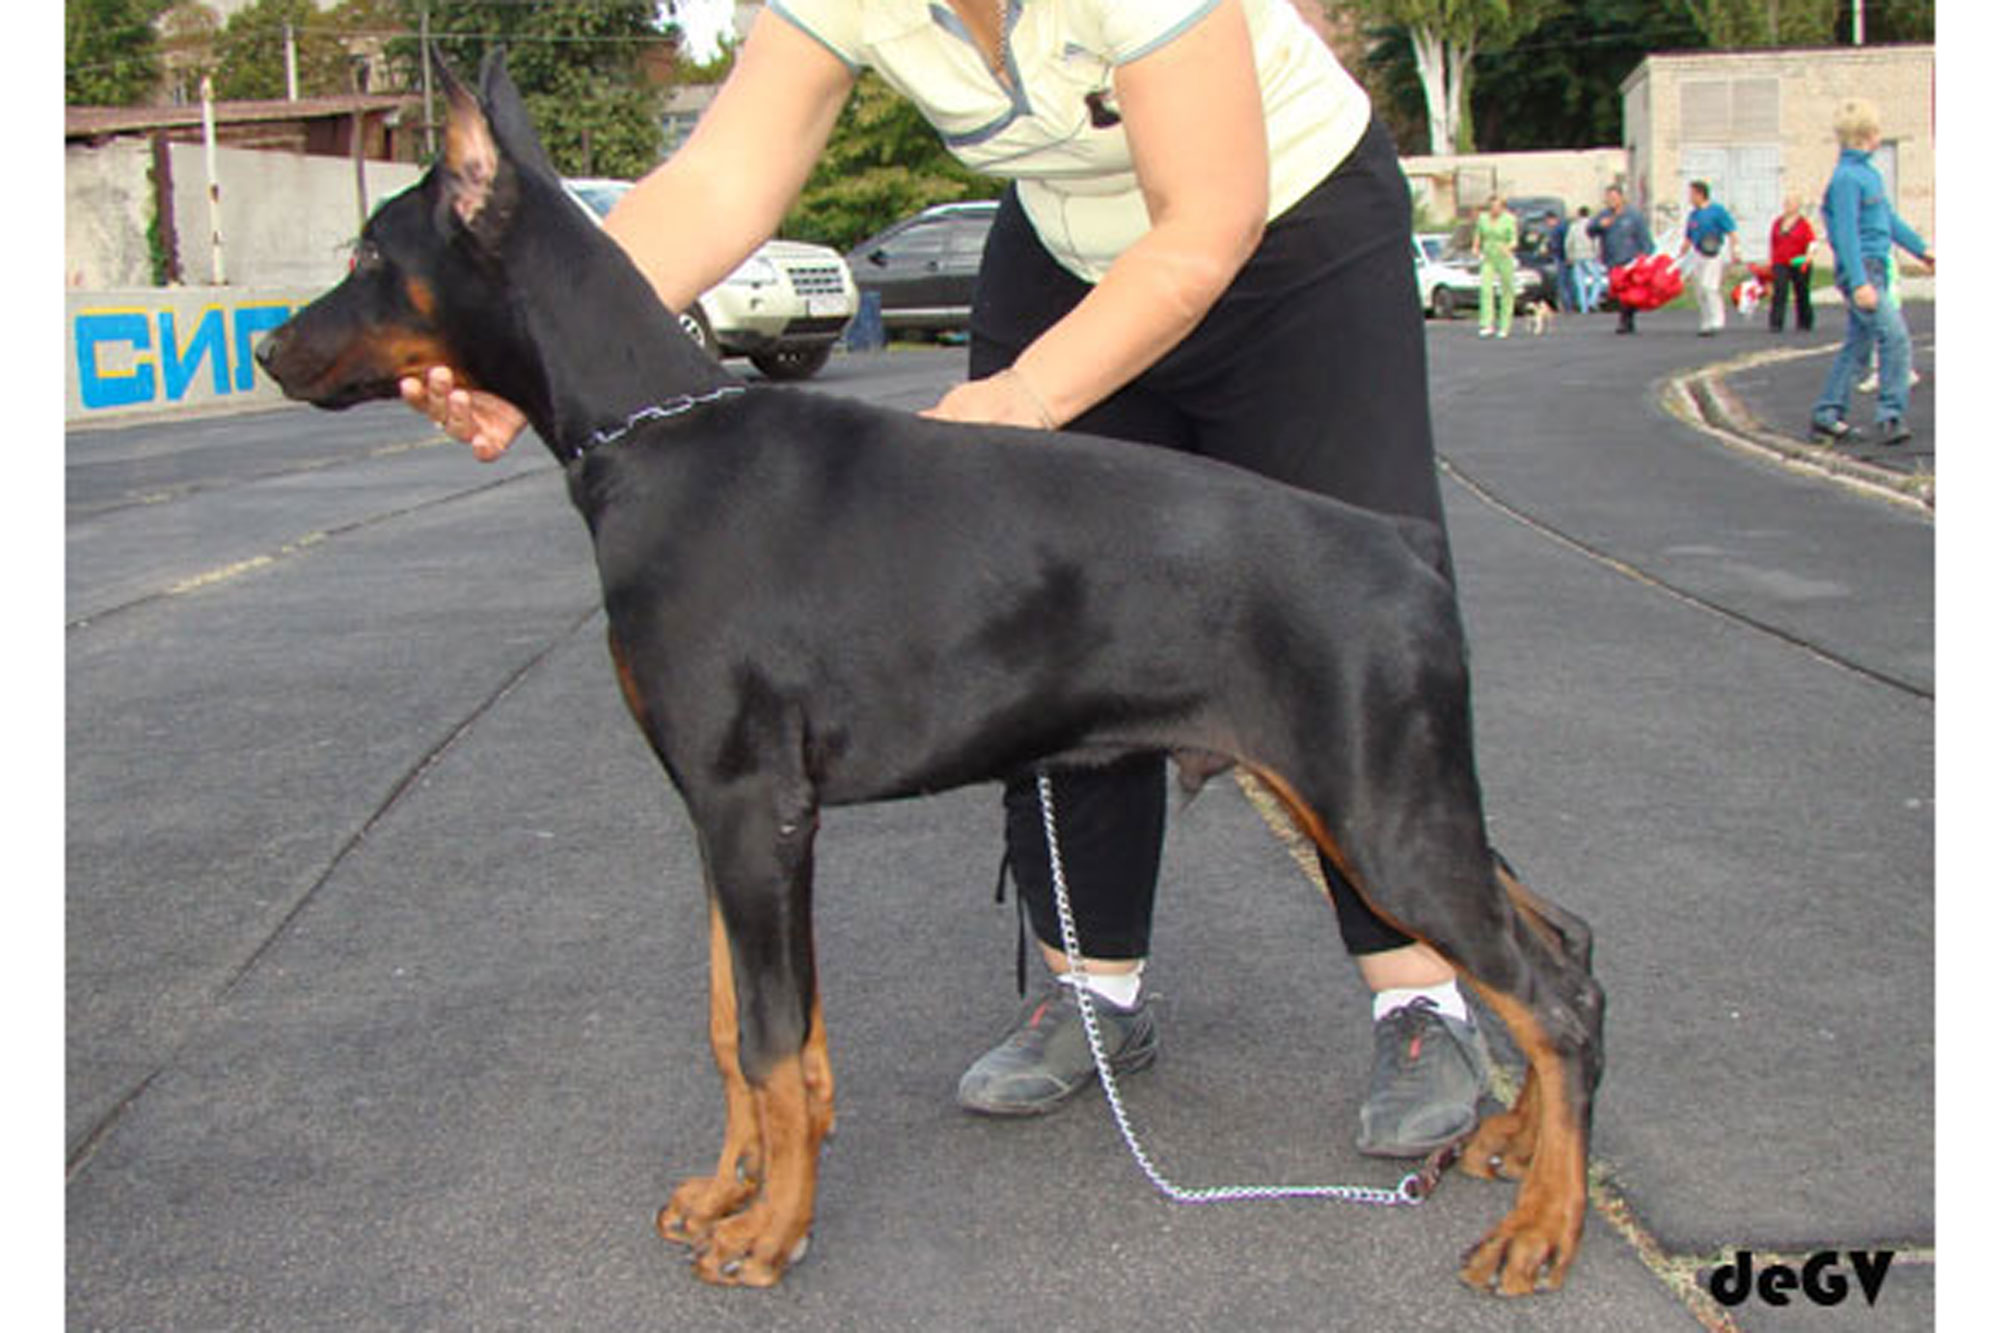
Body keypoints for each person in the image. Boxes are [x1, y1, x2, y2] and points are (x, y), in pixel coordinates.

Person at [400, 0, 1490, 1158]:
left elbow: (1204, 224)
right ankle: (1093, 990)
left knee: (1341, 614)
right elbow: (721, 180)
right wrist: (538, 351)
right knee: (1033, 617)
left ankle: (1419, 995)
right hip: (1066, 244)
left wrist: (1022, 399)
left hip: (1287, 231)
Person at [1808, 97, 1935, 447]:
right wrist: (1859, 281)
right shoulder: (1847, 179)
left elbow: (1887, 219)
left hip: (1875, 267)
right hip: (1863, 269)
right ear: (1865, 135)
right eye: (1877, 130)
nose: (1881, 135)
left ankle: (1827, 413)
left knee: (1858, 346)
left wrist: (1921, 249)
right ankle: (1890, 415)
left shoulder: (1869, 175)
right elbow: (1846, 234)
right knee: (1895, 338)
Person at [1677, 180, 1740, 337]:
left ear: (1700, 194)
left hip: (1713, 253)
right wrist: (1682, 252)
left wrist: (1735, 250)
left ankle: (1717, 320)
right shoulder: (1693, 215)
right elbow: (1689, 236)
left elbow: (1731, 231)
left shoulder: (1717, 211)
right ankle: (1706, 321)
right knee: (1699, 290)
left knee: (1709, 287)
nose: (1690, 198)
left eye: (1692, 194)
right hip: (1697, 253)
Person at [1588, 184, 1652, 334]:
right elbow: (1590, 231)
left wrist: (1645, 254)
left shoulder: (1633, 216)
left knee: (1629, 292)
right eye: (1609, 198)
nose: (1611, 201)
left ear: (1621, 198)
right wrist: (1599, 225)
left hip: (1630, 260)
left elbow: (1644, 237)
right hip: (1612, 259)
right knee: (1617, 291)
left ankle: (1626, 319)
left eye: (1614, 198)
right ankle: (1625, 317)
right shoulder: (1603, 215)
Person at [1767, 192, 1816, 332]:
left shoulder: (1803, 224)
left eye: (1790, 203)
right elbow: (1773, 242)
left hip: (1798, 262)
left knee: (1801, 291)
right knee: (1779, 290)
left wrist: (1809, 256)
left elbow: (1812, 241)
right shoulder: (1777, 223)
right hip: (1780, 261)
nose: (1787, 206)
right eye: (1786, 203)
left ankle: (1804, 321)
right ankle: (1776, 323)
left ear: (1797, 206)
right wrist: (1771, 261)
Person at [1474, 195, 1518, 338]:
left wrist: (1509, 247)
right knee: (1486, 289)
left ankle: (1505, 325)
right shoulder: (1483, 218)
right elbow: (1478, 234)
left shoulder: (1509, 219)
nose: (1494, 210)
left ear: (1502, 208)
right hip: (1488, 255)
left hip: (1503, 255)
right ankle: (1487, 323)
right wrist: (1476, 247)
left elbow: (1514, 240)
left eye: (1497, 207)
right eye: (1491, 207)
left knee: (1507, 289)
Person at [1565, 203, 1603, 312]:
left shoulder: (1573, 226)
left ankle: (1583, 307)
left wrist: (1569, 256)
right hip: (1590, 255)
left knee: (1580, 283)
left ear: (1579, 214)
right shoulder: (1592, 225)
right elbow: (1596, 241)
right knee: (1597, 279)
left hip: (1577, 256)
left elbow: (1568, 242)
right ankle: (1592, 301)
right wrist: (1598, 254)